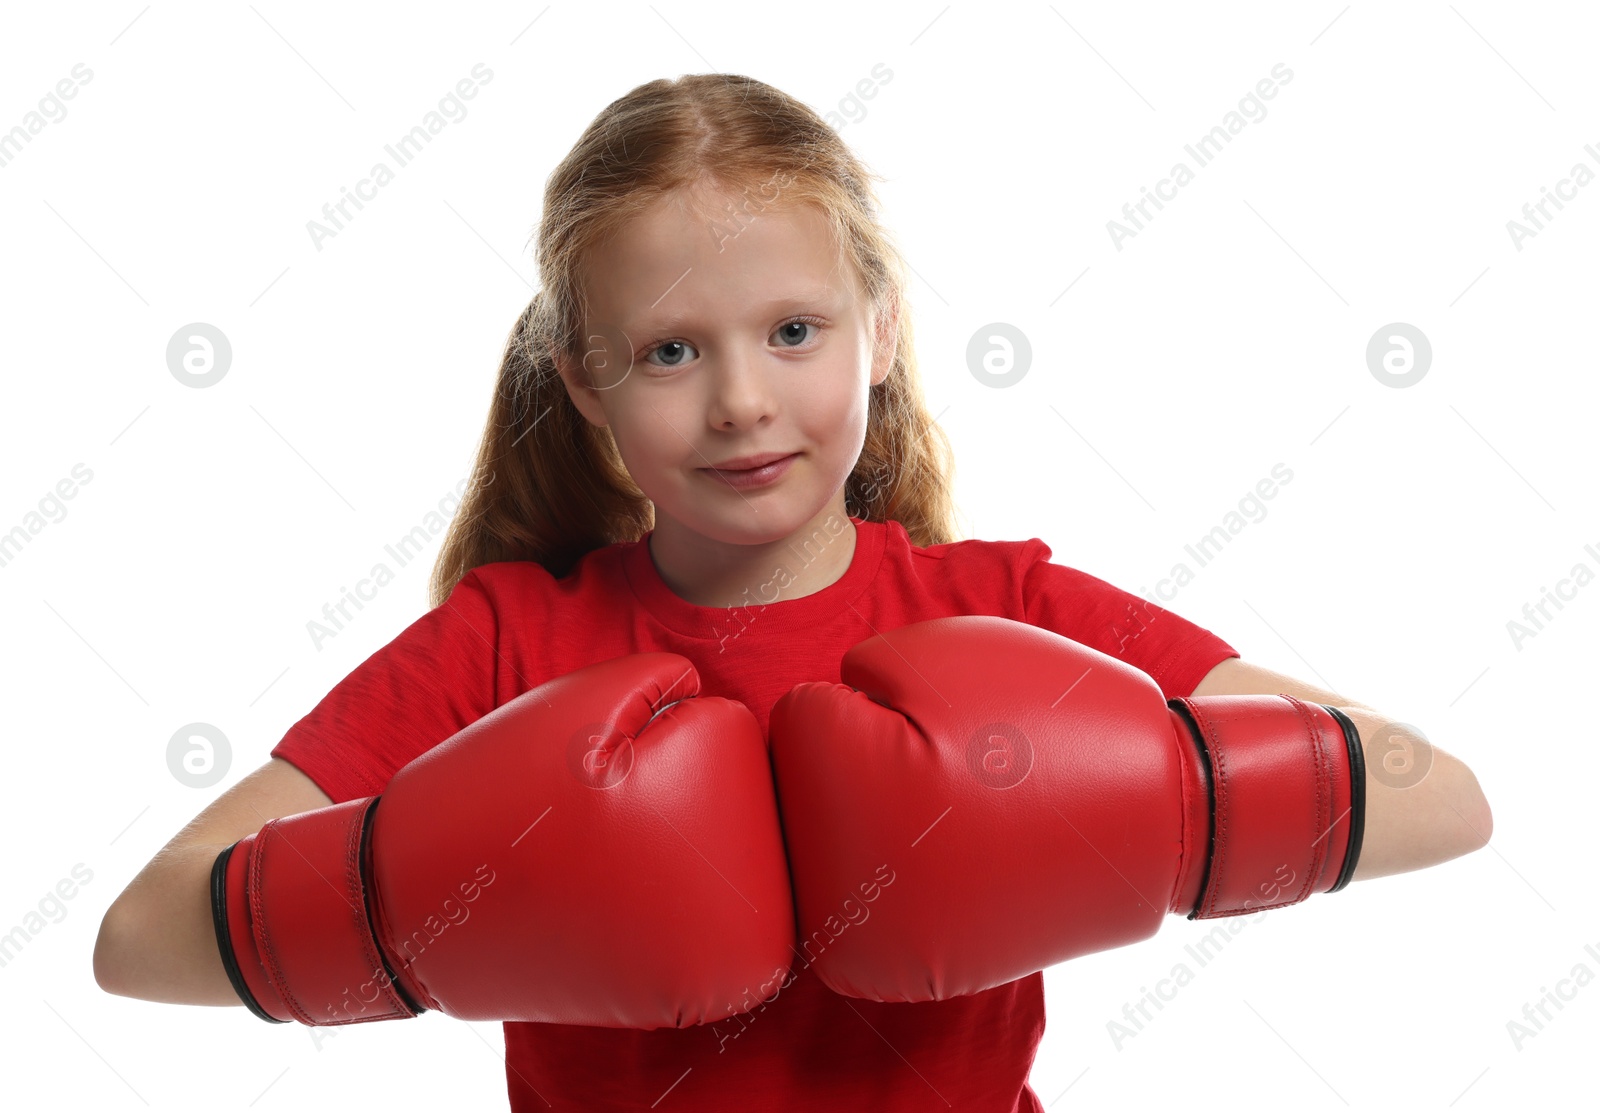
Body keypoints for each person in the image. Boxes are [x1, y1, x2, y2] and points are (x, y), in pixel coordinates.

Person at [93, 73, 1494, 1112]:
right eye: (668, 353)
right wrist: (413, 921)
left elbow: (1441, 797)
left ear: (879, 331)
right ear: (582, 382)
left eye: (793, 330)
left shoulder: (1004, 607)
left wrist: (1165, 808)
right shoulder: (508, 640)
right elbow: (143, 931)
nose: (743, 401)